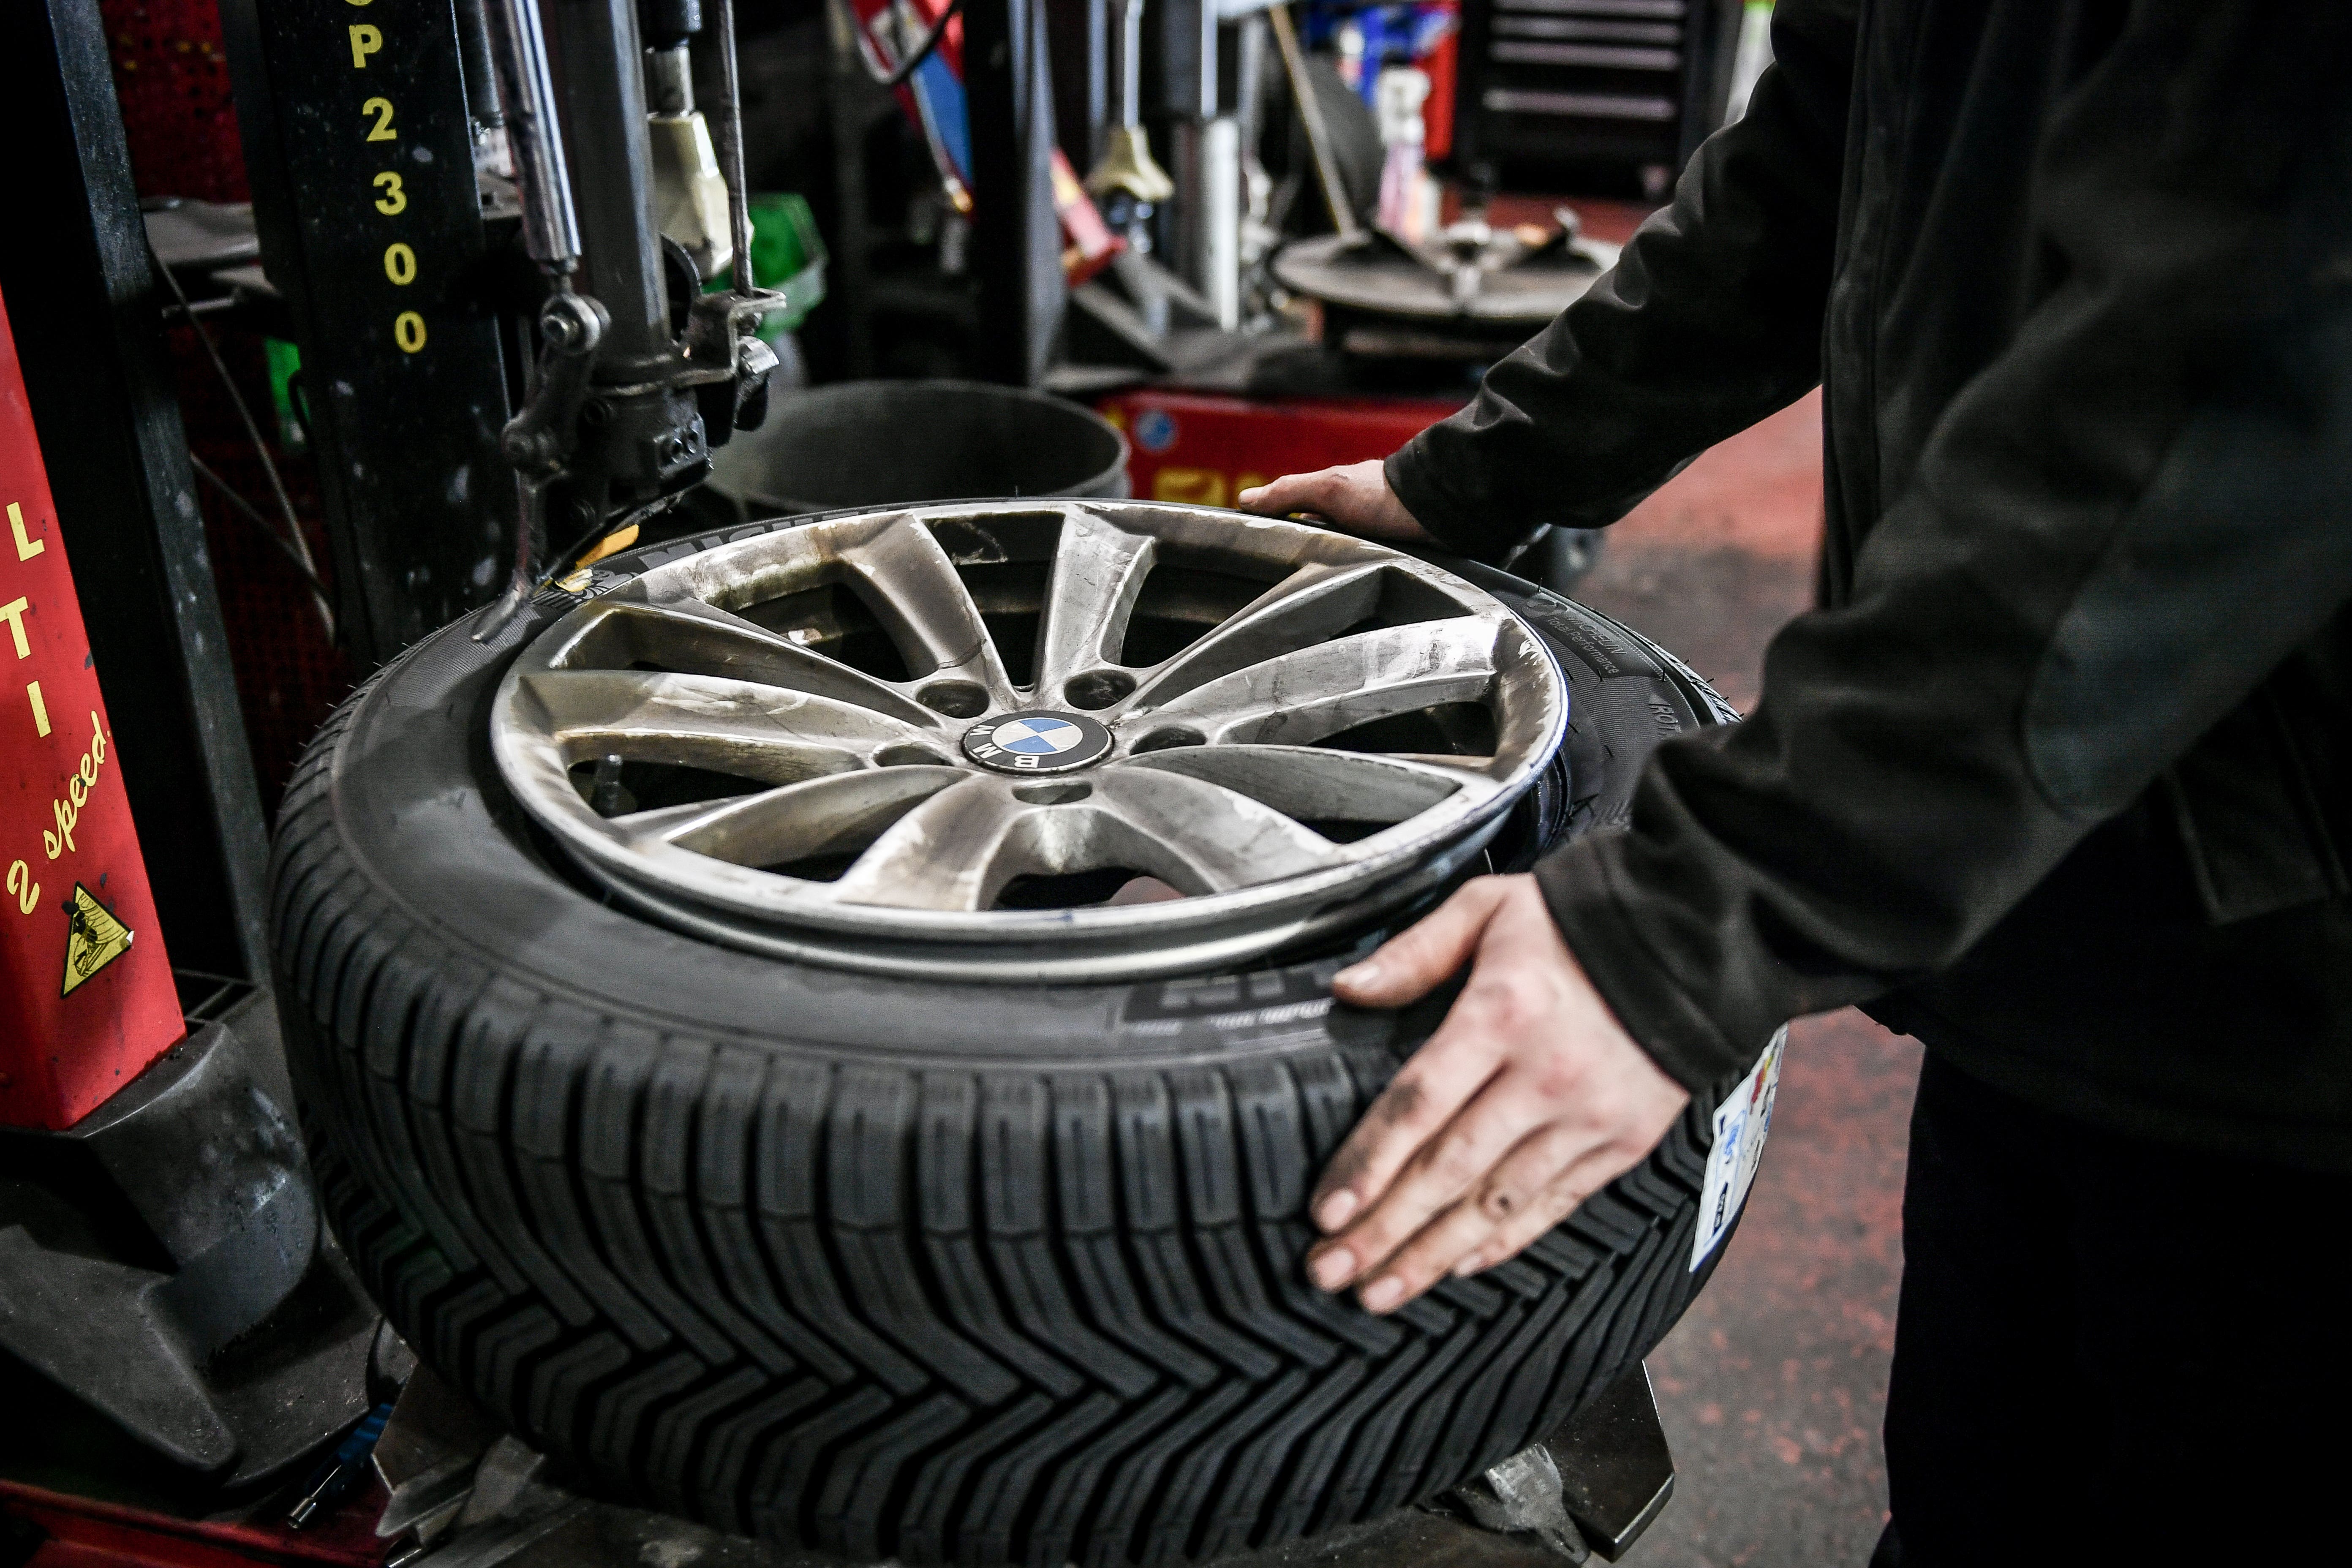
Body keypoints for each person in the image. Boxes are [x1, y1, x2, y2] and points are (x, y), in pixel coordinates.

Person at [1238, 1, 2351, 1557]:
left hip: (2296, 994)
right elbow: (1829, 151)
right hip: (2026, 898)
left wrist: (1684, 926)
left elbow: (2242, 353)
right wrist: (1472, 478)